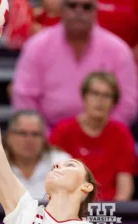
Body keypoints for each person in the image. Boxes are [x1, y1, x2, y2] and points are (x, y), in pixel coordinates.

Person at [0, 27, 121, 224]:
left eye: (70, 164)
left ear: (86, 187)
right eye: (59, 163)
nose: (57, 163)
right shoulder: (23, 211)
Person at [11, 0, 138, 128]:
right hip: (46, 138)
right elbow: (24, 97)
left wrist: (104, 134)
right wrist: (45, 138)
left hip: (105, 137)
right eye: (72, 5)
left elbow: (128, 103)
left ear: (96, 11)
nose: (79, 11)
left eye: (86, 7)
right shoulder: (37, 47)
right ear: (62, 10)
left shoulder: (119, 51)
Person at [50, 71, 137, 201]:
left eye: (107, 95)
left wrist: (117, 212)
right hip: (70, 207)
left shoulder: (121, 133)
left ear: (114, 102)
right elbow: (54, 179)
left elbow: (125, 185)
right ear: (84, 96)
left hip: (110, 210)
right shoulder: (63, 130)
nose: (100, 101)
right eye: (95, 93)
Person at [0, 110, 70, 201]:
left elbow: (73, 198)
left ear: (44, 139)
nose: (29, 140)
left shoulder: (61, 161)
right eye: (22, 133)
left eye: (35, 134)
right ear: (9, 136)